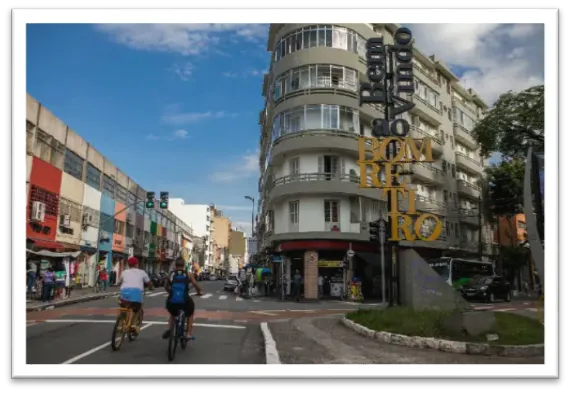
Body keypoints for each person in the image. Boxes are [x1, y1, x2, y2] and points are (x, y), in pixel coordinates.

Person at [162, 257, 203, 341]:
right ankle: (188, 333)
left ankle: (170, 329)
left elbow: (166, 286)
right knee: (190, 312)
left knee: (172, 312)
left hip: (172, 301)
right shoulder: (188, 274)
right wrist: (199, 292)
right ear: (184, 265)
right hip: (184, 301)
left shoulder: (171, 274)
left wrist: (170, 292)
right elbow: (195, 284)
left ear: (175, 265)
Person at [116, 257, 153, 333]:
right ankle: (132, 324)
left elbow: (119, 282)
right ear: (136, 264)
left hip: (124, 295)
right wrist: (151, 287)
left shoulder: (124, 272)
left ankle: (121, 323)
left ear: (128, 265)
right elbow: (149, 283)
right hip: (136, 296)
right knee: (138, 308)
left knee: (123, 307)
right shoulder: (142, 272)